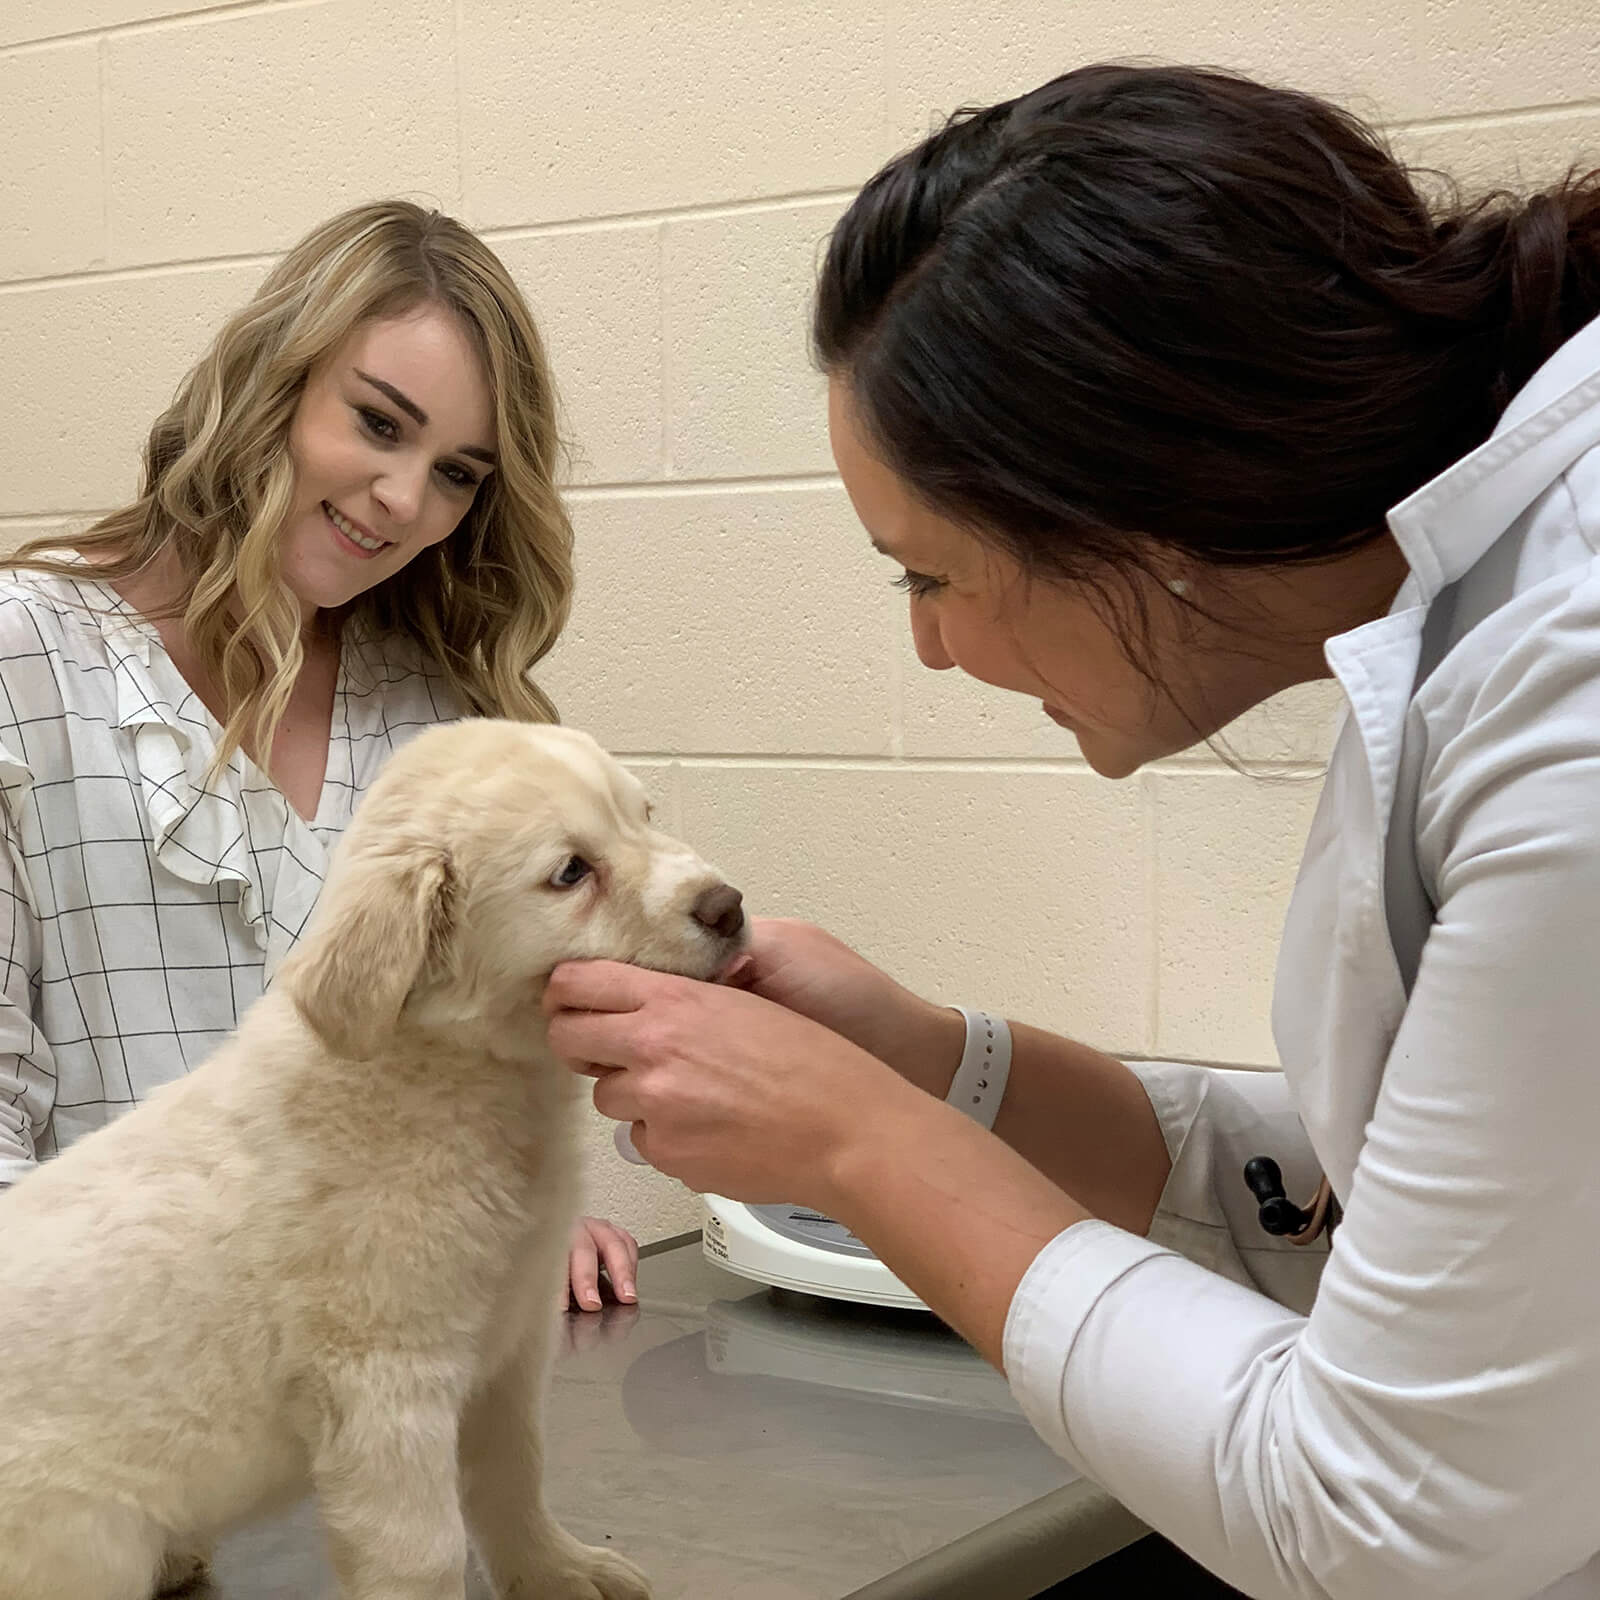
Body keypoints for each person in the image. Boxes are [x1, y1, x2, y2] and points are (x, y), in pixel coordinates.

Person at [544, 64, 1600, 1598]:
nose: (931, 653)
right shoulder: (1465, 628)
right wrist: (931, 1060)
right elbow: (1419, 1212)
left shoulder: (1566, 694)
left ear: (1134, 515)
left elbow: (1392, 1519)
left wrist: (853, 1138)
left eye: (929, 577)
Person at [0, 200, 637, 1311]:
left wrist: (519, 1212)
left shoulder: (437, 713)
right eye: (380, 425)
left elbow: (450, 1076)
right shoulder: (25, 662)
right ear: (273, 383)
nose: (403, 501)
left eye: (457, 474)